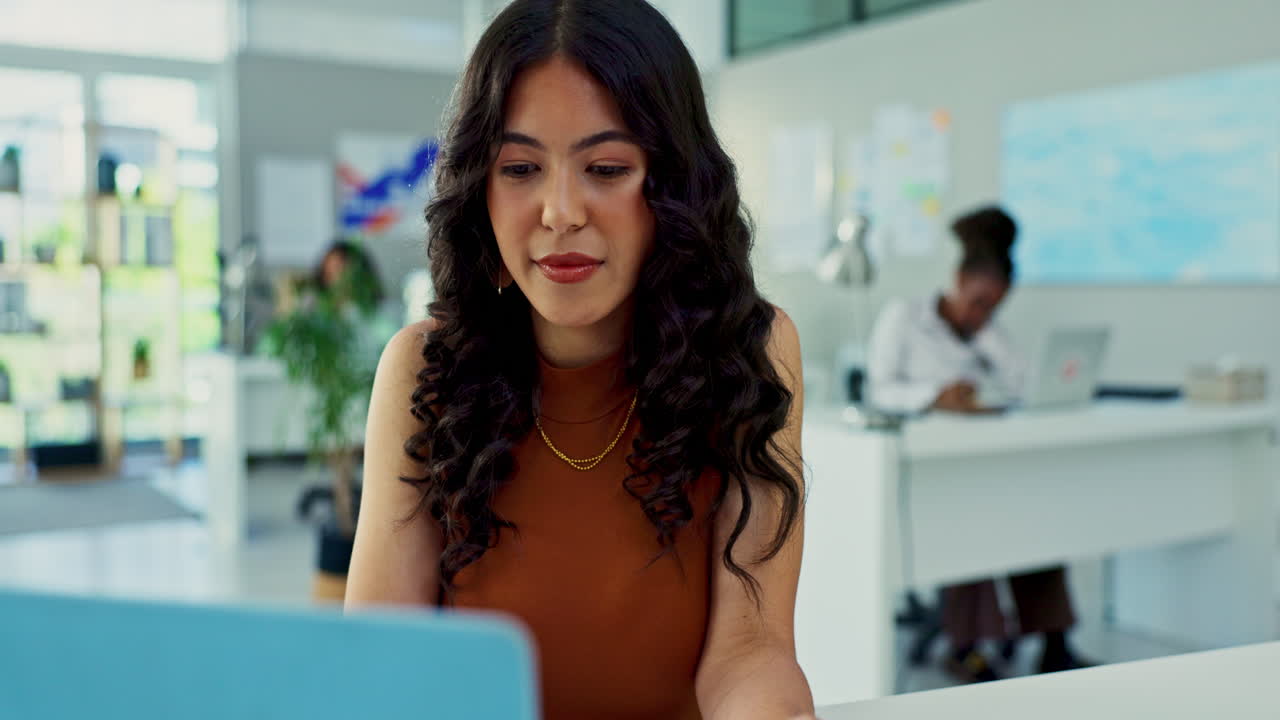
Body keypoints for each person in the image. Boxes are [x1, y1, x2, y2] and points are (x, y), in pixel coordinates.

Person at [344, 2, 816, 719]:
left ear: (672, 185)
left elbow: (750, 648)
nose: (560, 211)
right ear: (481, 188)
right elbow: (386, 657)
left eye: (605, 167)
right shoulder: (422, 368)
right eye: (521, 167)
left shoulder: (750, 353)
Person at [866, 206, 1093, 682]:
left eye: (994, 306)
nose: (982, 312)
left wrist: (986, 336)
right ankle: (965, 648)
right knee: (973, 521)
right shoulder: (903, 318)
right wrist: (935, 397)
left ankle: (1055, 643)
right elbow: (878, 389)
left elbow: (1028, 385)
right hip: (927, 472)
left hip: (983, 461)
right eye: (977, 300)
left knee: (1035, 516)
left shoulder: (989, 332)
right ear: (956, 278)